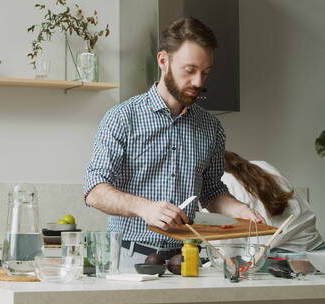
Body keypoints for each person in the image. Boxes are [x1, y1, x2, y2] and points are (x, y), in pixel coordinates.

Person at [83, 17, 264, 269]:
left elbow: (211, 191)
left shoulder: (211, 128)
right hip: (129, 259)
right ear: (163, 61)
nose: (199, 82)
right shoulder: (122, 117)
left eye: (206, 72)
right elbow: (95, 191)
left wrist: (239, 210)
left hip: (188, 259)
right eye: (190, 70)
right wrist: (144, 208)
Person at [222, 151, 324, 252]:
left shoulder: (221, 183)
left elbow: (228, 249)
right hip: (315, 246)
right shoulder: (262, 165)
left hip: (279, 257)